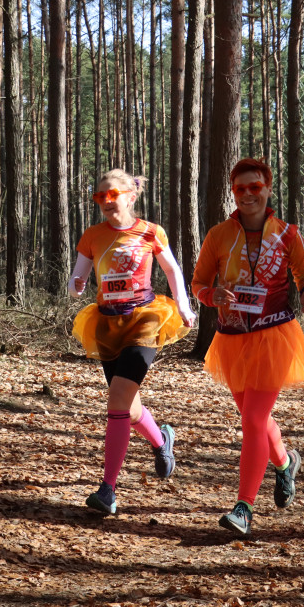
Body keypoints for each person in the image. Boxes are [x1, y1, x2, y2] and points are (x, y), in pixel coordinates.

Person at [191, 157, 304, 536]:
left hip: (274, 335)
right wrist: (211, 295)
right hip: (232, 340)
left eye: (255, 187)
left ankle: (244, 508)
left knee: (251, 419)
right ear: (233, 193)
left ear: (267, 189)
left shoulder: (286, 234)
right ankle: (284, 462)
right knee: (257, 419)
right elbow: (199, 283)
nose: (247, 194)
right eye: (240, 189)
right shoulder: (218, 235)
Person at [70, 168, 197, 515]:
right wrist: (76, 285)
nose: (107, 202)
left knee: (117, 400)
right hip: (106, 324)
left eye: (113, 194)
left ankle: (107, 490)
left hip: (144, 319)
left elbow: (172, 270)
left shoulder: (150, 232)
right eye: (100, 197)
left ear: (130, 195)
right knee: (128, 404)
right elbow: (77, 276)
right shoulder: (92, 235)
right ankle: (162, 440)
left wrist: (185, 307)